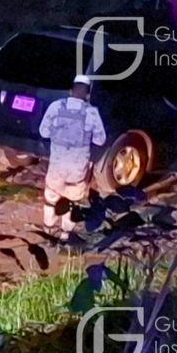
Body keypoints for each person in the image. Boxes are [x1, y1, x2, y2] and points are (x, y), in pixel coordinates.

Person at [39, 75, 106, 240]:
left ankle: (48, 231)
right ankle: (65, 235)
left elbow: (43, 132)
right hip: (78, 170)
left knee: (50, 200)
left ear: (70, 91)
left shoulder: (56, 106)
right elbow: (100, 140)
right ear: (88, 95)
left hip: (57, 166)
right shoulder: (91, 112)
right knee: (72, 204)